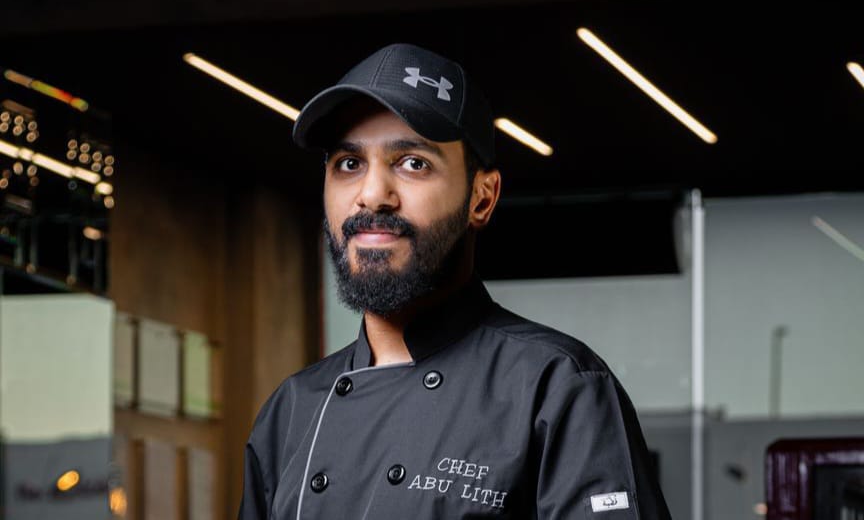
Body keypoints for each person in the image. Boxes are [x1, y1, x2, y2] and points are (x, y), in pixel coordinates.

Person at [238, 43, 671, 519]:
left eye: (413, 163)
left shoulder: (558, 387)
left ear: (482, 197)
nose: (372, 194)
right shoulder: (291, 411)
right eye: (349, 163)